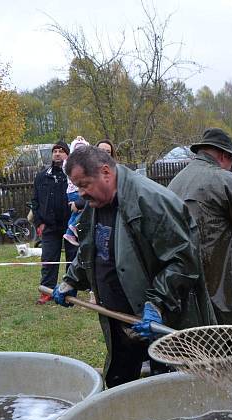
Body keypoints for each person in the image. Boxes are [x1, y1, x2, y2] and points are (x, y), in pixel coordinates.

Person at [51, 146, 215, 387]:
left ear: (105, 172)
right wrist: (72, 280)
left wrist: (156, 303)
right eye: (78, 187)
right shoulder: (94, 205)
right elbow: (91, 248)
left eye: (84, 184)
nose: (81, 193)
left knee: (172, 387)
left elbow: (182, 260)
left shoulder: (152, 201)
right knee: (120, 383)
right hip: (120, 318)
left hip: (163, 319)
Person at [168, 128, 232, 324]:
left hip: (180, 284)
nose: (231, 166)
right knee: (223, 342)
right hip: (220, 286)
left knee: (192, 340)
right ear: (224, 155)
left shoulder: (175, 182)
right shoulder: (226, 180)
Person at [33, 140, 78, 304]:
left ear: (68, 154)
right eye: (55, 151)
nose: (57, 153)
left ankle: (70, 291)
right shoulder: (43, 176)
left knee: (73, 259)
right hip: (49, 226)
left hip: (70, 225)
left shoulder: (73, 176)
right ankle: (47, 291)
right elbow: (35, 201)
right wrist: (39, 222)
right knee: (49, 259)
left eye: (61, 151)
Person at [63, 136, 90, 246]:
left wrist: (81, 141)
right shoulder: (73, 163)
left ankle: (70, 232)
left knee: (75, 214)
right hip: (76, 191)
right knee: (82, 211)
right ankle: (74, 226)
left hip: (72, 192)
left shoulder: (73, 162)